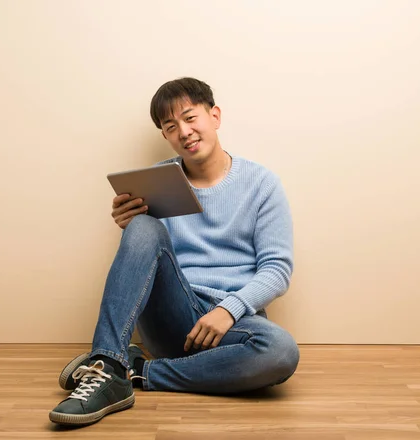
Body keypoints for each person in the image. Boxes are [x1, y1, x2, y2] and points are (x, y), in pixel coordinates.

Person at [49, 77, 299, 426]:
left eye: (190, 117)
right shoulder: (157, 181)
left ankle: (134, 372)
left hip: (231, 327)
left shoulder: (262, 184)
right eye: (171, 126)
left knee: (281, 351)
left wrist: (229, 309)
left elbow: (276, 269)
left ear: (214, 115)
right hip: (173, 317)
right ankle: (106, 362)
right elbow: (150, 259)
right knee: (142, 228)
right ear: (165, 136)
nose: (183, 131)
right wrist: (133, 227)